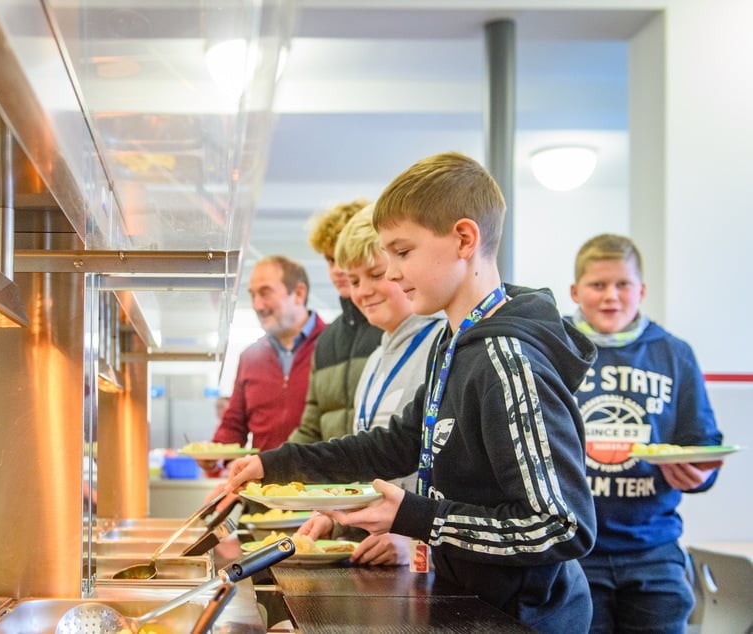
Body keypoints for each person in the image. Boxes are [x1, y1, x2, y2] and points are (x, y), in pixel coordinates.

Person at [220, 151, 598, 633]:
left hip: (526, 619)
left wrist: (416, 517)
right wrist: (276, 463)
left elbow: (561, 527)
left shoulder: (507, 358)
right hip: (470, 605)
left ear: (464, 239)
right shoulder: (452, 340)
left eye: (402, 252)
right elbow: (397, 443)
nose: (393, 272)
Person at [568, 233, 723, 634]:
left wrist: (701, 474)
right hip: (574, 550)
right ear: (574, 291)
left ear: (642, 290)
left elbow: (704, 443)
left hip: (654, 554)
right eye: (597, 285)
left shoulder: (675, 353)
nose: (611, 296)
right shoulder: (554, 350)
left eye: (623, 284)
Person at [297, 203, 446, 566]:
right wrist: (335, 513)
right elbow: (373, 460)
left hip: (427, 562)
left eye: (376, 274)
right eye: (353, 281)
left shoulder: (441, 344)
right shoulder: (378, 357)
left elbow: (448, 476)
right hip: (378, 553)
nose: (362, 292)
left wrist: (413, 542)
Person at [201, 255, 326, 471]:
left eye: (265, 293)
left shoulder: (334, 346)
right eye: (252, 295)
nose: (257, 305)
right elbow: (234, 425)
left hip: (323, 492)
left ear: (298, 293)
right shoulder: (250, 357)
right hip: (265, 490)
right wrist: (214, 456)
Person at [287, 198, 382, 444]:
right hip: (336, 482)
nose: (338, 270)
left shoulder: (395, 328)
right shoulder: (327, 340)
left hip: (385, 480)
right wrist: (269, 466)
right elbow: (311, 429)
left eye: (345, 256)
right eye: (330, 260)